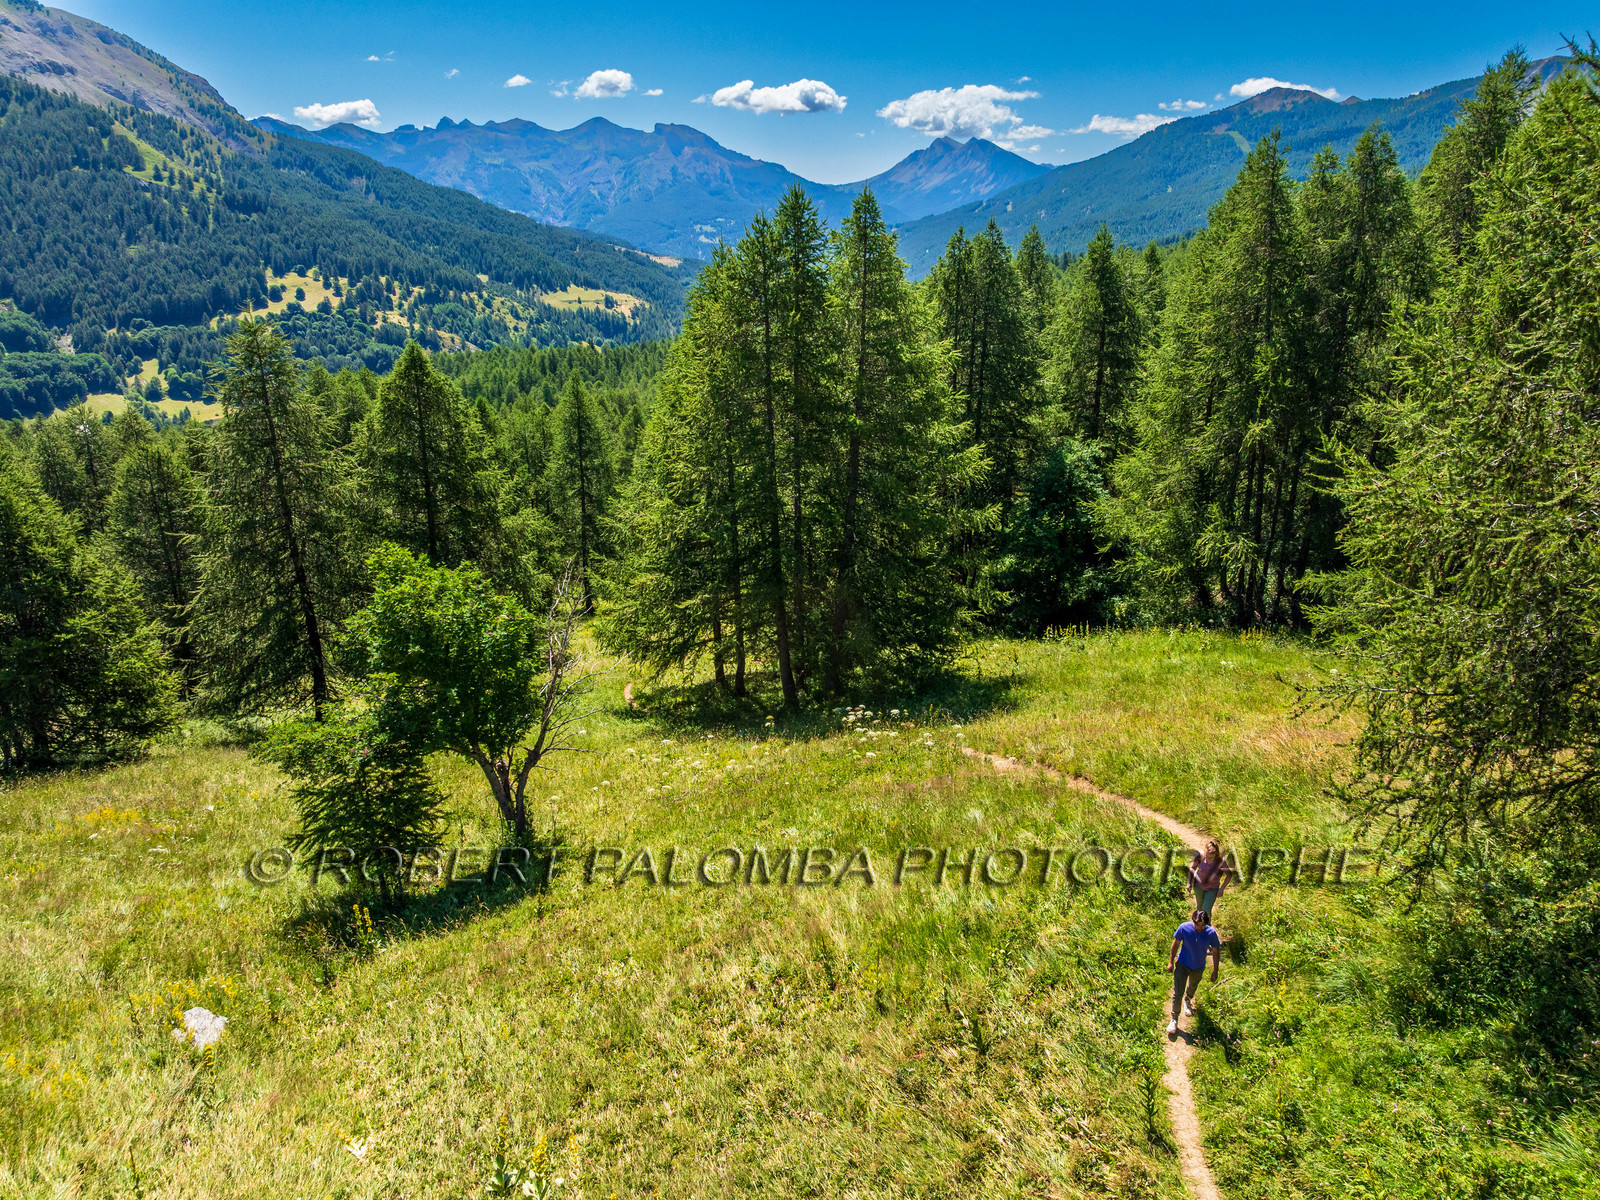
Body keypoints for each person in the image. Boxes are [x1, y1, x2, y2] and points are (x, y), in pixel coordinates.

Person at [1166, 908, 1221, 1034]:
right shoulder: (1184, 928)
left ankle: (1188, 999)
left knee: (1192, 987)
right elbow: (1175, 944)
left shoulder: (1211, 933)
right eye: (1197, 925)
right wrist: (1170, 962)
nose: (1199, 928)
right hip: (1182, 964)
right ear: (1193, 921)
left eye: (1202, 925)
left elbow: (1216, 951)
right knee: (1177, 992)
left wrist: (1215, 971)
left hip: (1198, 967)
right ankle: (1174, 1019)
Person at [1188, 839, 1233, 917]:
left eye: (1213, 855)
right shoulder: (1200, 857)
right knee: (1200, 908)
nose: (1211, 857)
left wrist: (1221, 889)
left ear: (1216, 853)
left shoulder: (1220, 861)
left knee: (1206, 910)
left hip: (1212, 888)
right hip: (1198, 886)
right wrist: (1189, 883)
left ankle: (1207, 927)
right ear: (1206, 851)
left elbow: (1229, 875)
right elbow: (1192, 869)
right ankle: (1201, 926)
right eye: (1209, 855)